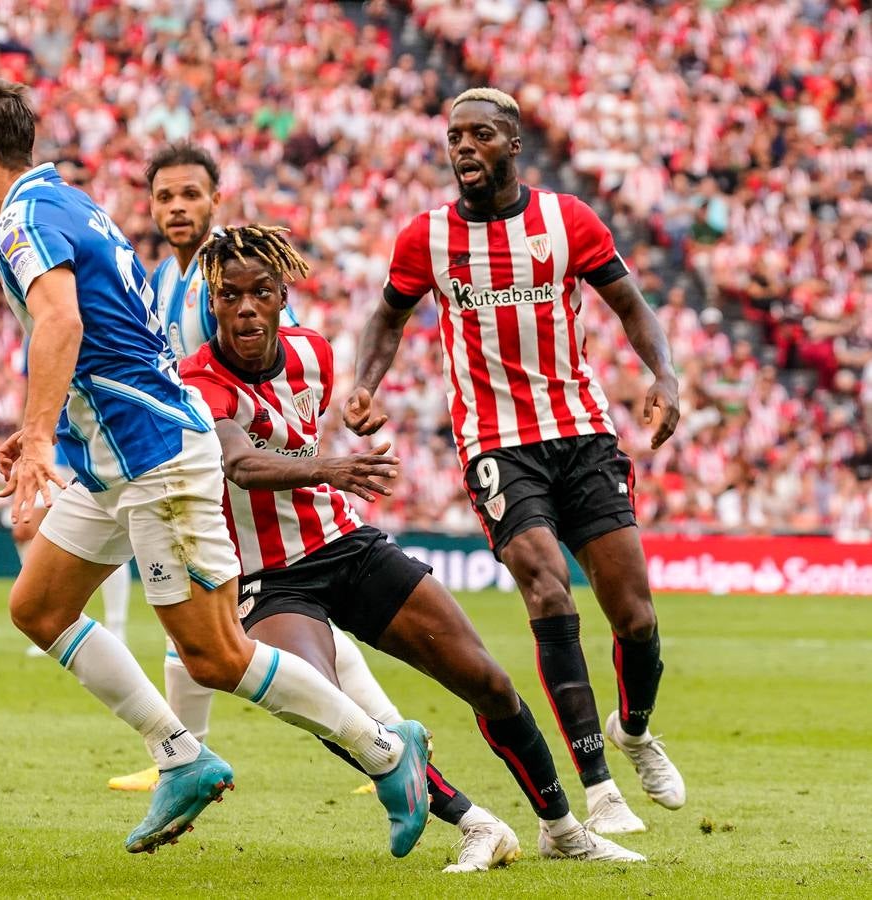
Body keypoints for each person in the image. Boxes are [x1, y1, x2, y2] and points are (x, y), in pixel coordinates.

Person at [0, 77, 431, 857]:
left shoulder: (24, 219)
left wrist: (36, 434)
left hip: (157, 458)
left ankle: (386, 750)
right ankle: (180, 755)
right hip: (115, 460)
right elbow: (102, 339)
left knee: (216, 655)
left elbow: (61, 319)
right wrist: (45, 435)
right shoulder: (60, 201)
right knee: (39, 608)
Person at [181, 223, 644, 867]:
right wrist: (331, 468)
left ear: (284, 293)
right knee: (328, 704)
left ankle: (562, 829)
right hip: (269, 577)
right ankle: (472, 820)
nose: (246, 307)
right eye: (230, 296)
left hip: (347, 545)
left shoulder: (313, 352)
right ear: (212, 301)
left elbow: (312, 425)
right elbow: (239, 464)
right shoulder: (197, 382)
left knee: (485, 679)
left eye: (261, 291)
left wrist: (360, 414)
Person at [346, 88, 686, 835]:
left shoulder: (566, 221)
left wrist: (662, 378)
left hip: (582, 432)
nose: (462, 148)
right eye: (453, 137)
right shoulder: (425, 237)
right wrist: (363, 384)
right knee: (546, 592)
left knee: (632, 614)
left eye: (479, 135)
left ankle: (632, 729)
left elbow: (631, 305)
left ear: (512, 143)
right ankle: (597, 788)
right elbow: (386, 315)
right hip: (495, 442)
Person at [109, 144, 406, 798]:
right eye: (164, 197)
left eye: (190, 194)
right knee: (198, 608)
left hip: (245, 466)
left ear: (215, 198)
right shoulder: (162, 279)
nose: (177, 208)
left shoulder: (234, 271)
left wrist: (304, 441)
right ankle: (187, 753)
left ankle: (380, 735)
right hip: (200, 462)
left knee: (210, 607)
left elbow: (284, 357)